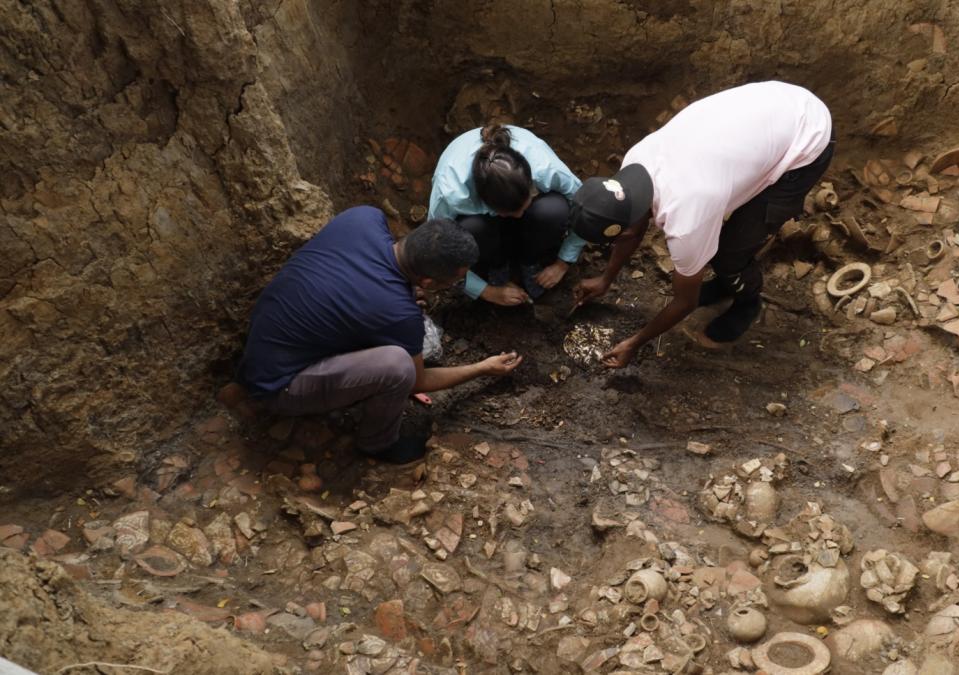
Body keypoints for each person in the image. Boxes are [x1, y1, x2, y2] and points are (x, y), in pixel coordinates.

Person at [568, 81, 835, 368]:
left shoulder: (685, 219)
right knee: (728, 233)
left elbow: (686, 302)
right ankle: (726, 283)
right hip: (772, 108)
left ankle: (747, 303)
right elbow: (633, 226)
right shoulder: (635, 164)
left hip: (806, 138)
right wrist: (606, 279)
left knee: (730, 253)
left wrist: (634, 343)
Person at [237, 206, 523, 467]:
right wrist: (482, 368)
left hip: (264, 342)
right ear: (428, 282)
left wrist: (405, 293)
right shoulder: (400, 314)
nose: (456, 284)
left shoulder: (363, 217)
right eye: (454, 281)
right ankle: (378, 443)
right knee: (397, 366)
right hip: (278, 385)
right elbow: (417, 381)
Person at [428, 124, 588, 306]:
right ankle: (496, 266)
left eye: (524, 207)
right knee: (473, 228)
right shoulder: (450, 191)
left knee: (553, 210)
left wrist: (563, 263)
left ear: (531, 182)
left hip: (530, 215)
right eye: (510, 213)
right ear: (485, 203)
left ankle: (530, 261)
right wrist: (486, 291)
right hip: (481, 225)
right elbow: (436, 252)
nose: (519, 216)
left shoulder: (545, 169)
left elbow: (586, 210)